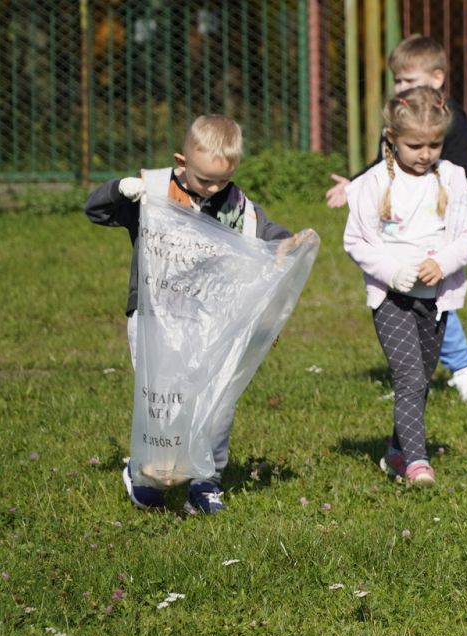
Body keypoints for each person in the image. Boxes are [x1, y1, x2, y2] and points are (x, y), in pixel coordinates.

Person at [85, 114, 308, 514]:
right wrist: (120, 190)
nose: (212, 189)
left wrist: (286, 244)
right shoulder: (152, 192)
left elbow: (266, 234)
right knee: (167, 403)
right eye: (204, 180)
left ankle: (206, 482)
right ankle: (146, 473)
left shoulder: (236, 206)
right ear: (181, 161)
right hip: (156, 316)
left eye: (222, 180)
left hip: (211, 319)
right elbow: (96, 212)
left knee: (216, 401)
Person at [327, 34, 467, 407]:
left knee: (432, 301)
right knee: (410, 300)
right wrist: (354, 185)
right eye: (397, 81)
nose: (400, 88)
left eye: (408, 81)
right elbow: (382, 170)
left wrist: (438, 194)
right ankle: (412, 376)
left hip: (435, 225)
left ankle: (462, 369)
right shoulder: (403, 123)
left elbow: (458, 167)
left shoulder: (449, 120)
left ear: (436, 78)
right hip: (401, 227)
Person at [343, 86, 467, 488]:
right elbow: (355, 241)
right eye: (415, 145)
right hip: (392, 299)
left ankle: (397, 449)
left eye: (434, 144)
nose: (425, 153)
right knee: (408, 377)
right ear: (392, 138)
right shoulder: (373, 184)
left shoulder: (452, 178)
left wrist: (442, 263)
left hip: (436, 301)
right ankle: (417, 462)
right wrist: (391, 271)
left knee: (421, 377)